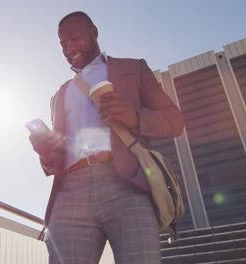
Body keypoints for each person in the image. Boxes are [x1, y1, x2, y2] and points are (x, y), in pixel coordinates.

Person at [29, 11, 184, 264]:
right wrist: (46, 152)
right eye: (63, 44)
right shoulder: (60, 94)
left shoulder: (133, 69)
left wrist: (134, 116)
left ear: (94, 32)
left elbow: (174, 121)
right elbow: (58, 154)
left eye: (75, 38)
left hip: (126, 183)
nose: (68, 48)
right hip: (70, 192)